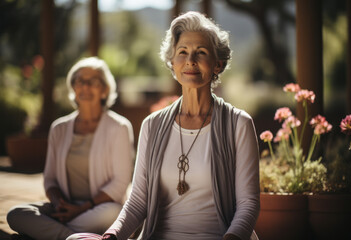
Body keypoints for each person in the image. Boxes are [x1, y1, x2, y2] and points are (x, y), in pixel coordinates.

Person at [68, 11, 260, 240]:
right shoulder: (153, 125)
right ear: (173, 63)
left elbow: (248, 204)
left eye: (201, 52)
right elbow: (138, 202)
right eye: (183, 52)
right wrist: (112, 235)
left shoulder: (238, 124)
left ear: (217, 64)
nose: (190, 60)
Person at [7, 57, 134, 240]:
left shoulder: (119, 127)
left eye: (93, 82)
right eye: (80, 81)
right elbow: (50, 179)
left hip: (98, 209)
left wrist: (81, 209)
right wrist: (60, 205)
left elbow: (120, 183)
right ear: (73, 88)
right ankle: (75, 237)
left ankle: (52, 233)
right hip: (64, 209)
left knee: (114, 213)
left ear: (105, 90)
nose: (85, 86)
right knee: (16, 214)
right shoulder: (59, 128)